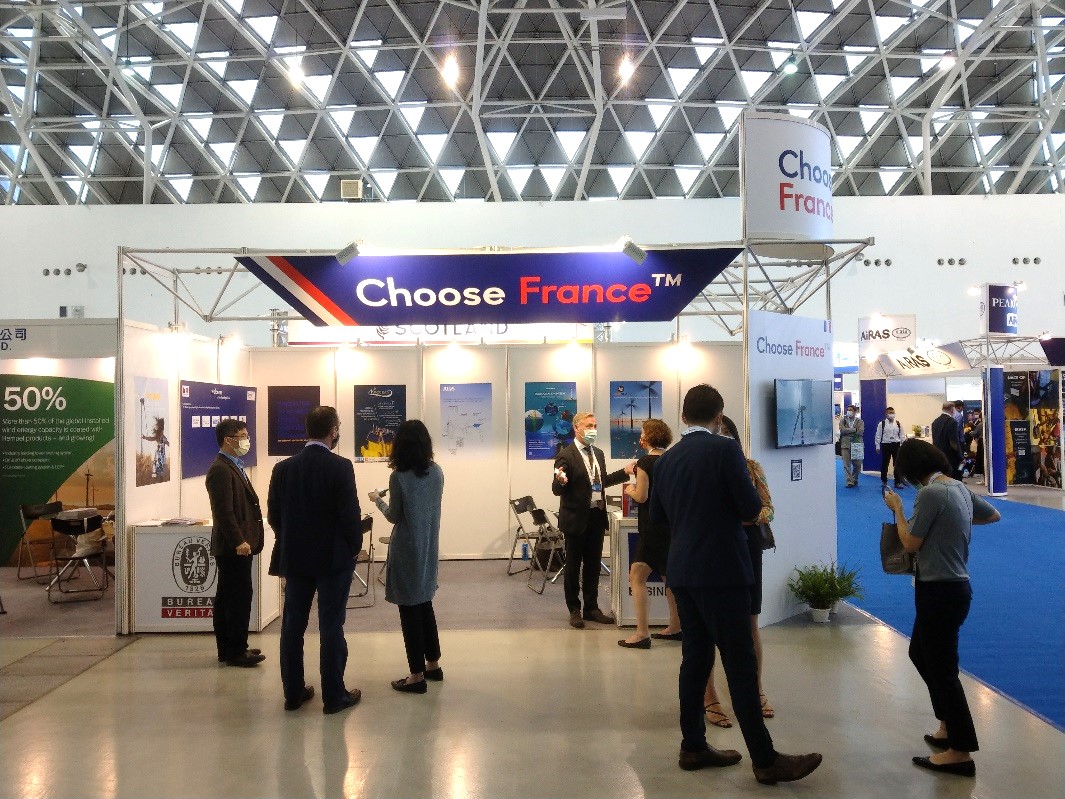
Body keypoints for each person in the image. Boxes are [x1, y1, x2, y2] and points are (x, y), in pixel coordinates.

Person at [649, 384, 822, 785]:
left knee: (695, 660)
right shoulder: (725, 451)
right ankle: (765, 759)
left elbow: (657, 516)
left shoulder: (667, 459)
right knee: (740, 663)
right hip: (722, 572)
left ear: (683, 416)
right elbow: (750, 507)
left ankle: (693, 745)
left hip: (683, 571)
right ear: (719, 416)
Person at [882, 438, 1001, 778]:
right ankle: (948, 725)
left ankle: (960, 751)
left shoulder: (931, 494)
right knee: (921, 653)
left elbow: (909, 542)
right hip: (951, 588)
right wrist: (953, 525)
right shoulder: (958, 488)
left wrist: (898, 509)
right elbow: (993, 514)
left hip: (940, 591)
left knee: (943, 670)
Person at [268, 406, 364, 714]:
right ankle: (334, 697)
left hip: (295, 559)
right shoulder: (340, 467)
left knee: (292, 626)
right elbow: (350, 515)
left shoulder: (283, 469)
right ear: (334, 430)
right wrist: (354, 546)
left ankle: (293, 693)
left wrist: (291, 540)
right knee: (331, 625)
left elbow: (274, 516)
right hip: (332, 559)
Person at [702, 415, 776, 727]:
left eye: (727, 437)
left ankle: (756, 690)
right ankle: (710, 696)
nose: (723, 443)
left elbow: (768, 508)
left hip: (747, 549)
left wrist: (746, 517)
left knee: (750, 622)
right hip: (710, 552)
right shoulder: (699, 469)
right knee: (706, 628)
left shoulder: (751, 467)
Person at [368, 420, 445, 694]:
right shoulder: (437, 472)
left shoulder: (398, 477)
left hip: (406, 549)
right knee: (425, 605)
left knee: (409, 612)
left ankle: (416, 676)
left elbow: (393, 516)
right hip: (428, 547)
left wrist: (377, 499)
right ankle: (433, 665)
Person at [552, 411, 634, 629]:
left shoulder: (598, 453)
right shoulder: (565, 455)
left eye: (595, 426)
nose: (593, 430)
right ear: (576, 428)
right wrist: (561, 481)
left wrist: (624, 472)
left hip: (596, 516)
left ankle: (591, 608)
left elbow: (601, 482)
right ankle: (574, 610)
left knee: (593, 565)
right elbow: (557, 488)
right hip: (575, 518)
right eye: (589, 426)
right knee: (573, 566)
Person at [205, 419, 265, 668]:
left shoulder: (233, 465)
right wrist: (239, 540)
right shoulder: (220, 469)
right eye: (242, 436)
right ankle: (236, 651)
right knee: (237, 597)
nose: (246, 441)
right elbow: (223, 512)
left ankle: (231, 647)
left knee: (229, 596)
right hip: (233, 547)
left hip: (238, 544)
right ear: (228, 440)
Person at [618, 419, 681, 649]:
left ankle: (642, 633)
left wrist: (630, 489)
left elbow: (642, 496)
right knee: (668, 577)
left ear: (647, 437)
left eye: (643, 432)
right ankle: (676, 626)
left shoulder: (645, 462)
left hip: (651, 527)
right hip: (671, 527)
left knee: (637, 576)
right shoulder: (673, 459)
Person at [875, 406, 905, 489]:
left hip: (896, 445)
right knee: (885, 463)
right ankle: (884, 481)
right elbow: (878, 435)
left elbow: (902, 435)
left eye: (893, 413)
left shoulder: (898, 423)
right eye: (890, 413)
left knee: (897, 464)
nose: (892, 414)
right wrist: (877, 446)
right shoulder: (882, 424)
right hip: (886, 444)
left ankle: (897, 482)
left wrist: (903, 445)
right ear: (886, 414)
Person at [931, 402, 961, 478]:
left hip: (938, 456)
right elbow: (953, 442)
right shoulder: (952, 422)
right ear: (952, 410)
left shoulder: (935, 422)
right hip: (950, 457)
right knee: (953, 479)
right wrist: (960, 456)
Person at [838, 405, 864, 488]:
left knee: (858, 464)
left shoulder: (860, 421)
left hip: (856, 444)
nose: (849, 411)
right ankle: (849, 482)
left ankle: (854, 478)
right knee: (846, 464)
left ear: (855, 411)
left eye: (851, 410)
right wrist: (854, 430)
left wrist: (848, 431)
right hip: (845, 444)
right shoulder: (843, 420)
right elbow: (842, 430)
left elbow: (860, 432)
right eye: (848, 410)